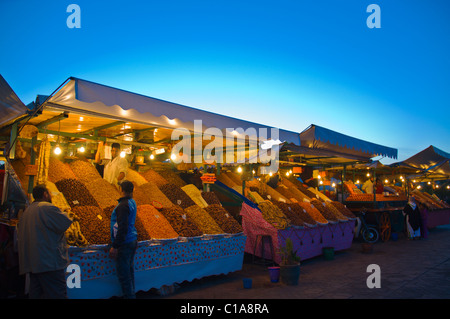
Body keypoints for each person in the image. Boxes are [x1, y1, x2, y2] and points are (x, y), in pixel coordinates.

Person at [17, 184, 73, 299]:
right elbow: (65, 222)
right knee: (57, 294)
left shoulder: (27, 211)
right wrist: (69, 214)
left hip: (33, 263)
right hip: (49, 263)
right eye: (49, 193)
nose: (51, 195)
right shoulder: (46, 207)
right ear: (45, 194)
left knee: (36, 294)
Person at [109, 180, 138, 299]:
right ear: (133, 190)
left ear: (121, 190)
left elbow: (122, 227)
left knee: (124, 274)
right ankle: (132, 293)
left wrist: (115, 246)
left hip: (125, 242)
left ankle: (129, 296)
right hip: (132, 239)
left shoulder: (122, 206)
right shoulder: (132, 202)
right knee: (129, 270)